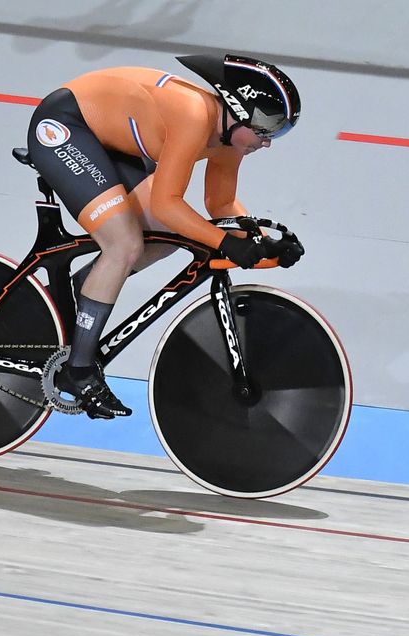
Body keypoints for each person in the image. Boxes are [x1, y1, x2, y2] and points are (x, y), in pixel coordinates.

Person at [24, 53, 303, 419]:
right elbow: (168, 202)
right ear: (237, 109)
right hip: (66, 127)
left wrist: (263, 239)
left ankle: (87, 290)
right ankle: (78, 372)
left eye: (278, 131)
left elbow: (221, 203)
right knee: (124, 243)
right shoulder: (193, 116)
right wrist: (225, 242)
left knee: (169, 235)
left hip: (106, 139)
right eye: (267, 126)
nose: (268, 141)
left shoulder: (229, 138)